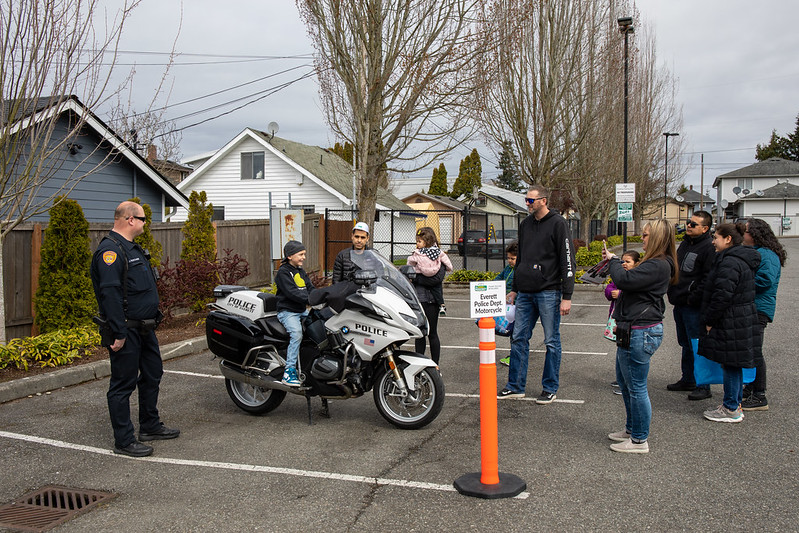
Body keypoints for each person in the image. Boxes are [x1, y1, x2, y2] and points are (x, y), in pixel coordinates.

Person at [91, 201, 179, 458]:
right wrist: (118, 332)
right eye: (142, 219)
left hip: (144, 328)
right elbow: (110, 294)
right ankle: (124, 440)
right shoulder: (111, 251)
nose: (144, 223)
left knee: (153, 374)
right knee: (123, 384)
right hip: (126, 330)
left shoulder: (132, 249)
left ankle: (149, 425)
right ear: (130, 219)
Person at [602, 219, 677, 453]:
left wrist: (614, 261)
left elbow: (624, 280)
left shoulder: (658, 264)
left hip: (641, 331)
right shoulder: (653, 263)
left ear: (656, 238)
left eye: (645, 235)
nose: (642, 239)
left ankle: (639, 440)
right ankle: (632, 429)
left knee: (636, 387)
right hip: (631, 328)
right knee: (625, 383)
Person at [498, 184, 576, 404]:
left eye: (531, 200)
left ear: (543, 200)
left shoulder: (558, 224)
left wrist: (567, 295)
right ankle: (515, 386)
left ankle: (549, 387)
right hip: (525, 292)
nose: (527, 204)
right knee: (519, 338)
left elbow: (567, 259)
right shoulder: (525, 225)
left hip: (549, 292)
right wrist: (515, 289)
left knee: (551, 341)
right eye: (526, 200)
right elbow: (521, 258)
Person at [699, 223, 760, 423]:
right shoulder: (740, 259)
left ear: (728, 239)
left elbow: (722, 295)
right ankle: (733, 403)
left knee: (731, 363)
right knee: (734, 362)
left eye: (716, 237)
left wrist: (710, 319)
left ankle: (731, 407)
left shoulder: (730, 262)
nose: (713, 241)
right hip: (740, 316)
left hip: (731, 318)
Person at [666, 210, 716, 401]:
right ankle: (688, 379)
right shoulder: (686, 244)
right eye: (688, 222)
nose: (689, 225)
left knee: (697, 345)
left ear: (705, 228)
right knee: (685, 343)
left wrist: (691, 298)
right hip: (680, 303)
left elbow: (707, 278)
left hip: (693, 306)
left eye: (693, 224)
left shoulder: (708, 248)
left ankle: (704, 385)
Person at [741, 218, 785, 411]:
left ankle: (759, 395)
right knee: (750, 350)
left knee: (755, 351)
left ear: (756, 234)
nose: (743, 234)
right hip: (754, 307)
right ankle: (751, 388)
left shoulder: (766, 255)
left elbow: (764, 281)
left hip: (758, 309)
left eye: (746, 231)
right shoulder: (760, 252)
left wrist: (739, 282)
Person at [276, 240, 315, 386]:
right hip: (287, 312)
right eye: (301, 254)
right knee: (297, 333)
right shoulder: (283, 272)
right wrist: (310, 300)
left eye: (304, 254)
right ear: (290, 256)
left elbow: (310, 288)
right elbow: (292, 293)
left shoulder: (300, 271)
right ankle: (289, 371)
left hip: (301, 310)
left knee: (320, 324)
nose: (304, 257)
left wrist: (321, 296)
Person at [409, 227, 448, 364]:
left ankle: (435, 365)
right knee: (420, 333)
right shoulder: (417, 254)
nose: (417, 244)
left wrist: (418, 279)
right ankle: (419, 364)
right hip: (419, 299)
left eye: (420, 240)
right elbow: (409, 273)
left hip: (432, 300)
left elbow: (436, 279)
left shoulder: (439, 256)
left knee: (432, 333)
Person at [604, 250, 641, 395]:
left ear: (636, 263)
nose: (624, 264)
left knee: (627, 352)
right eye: (622, 262)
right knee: (620, 350)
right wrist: (611, 293)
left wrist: (621, 293)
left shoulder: (637, 277)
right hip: (617, 319)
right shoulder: (620, 276)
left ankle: (625, 383)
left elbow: (635, 294)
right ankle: (621, 379)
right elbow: (609, 288)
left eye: (628, 262)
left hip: (630, 321)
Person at [496, 241, 518, 367]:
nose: (510, 261)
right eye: (508, 258)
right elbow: (498, 279)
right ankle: (513, 354)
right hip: (507, 305)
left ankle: (514, 355)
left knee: (516, 332)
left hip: (516, 304)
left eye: (513, 258)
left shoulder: (519, 270)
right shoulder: (508, 269)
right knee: (512, 330)